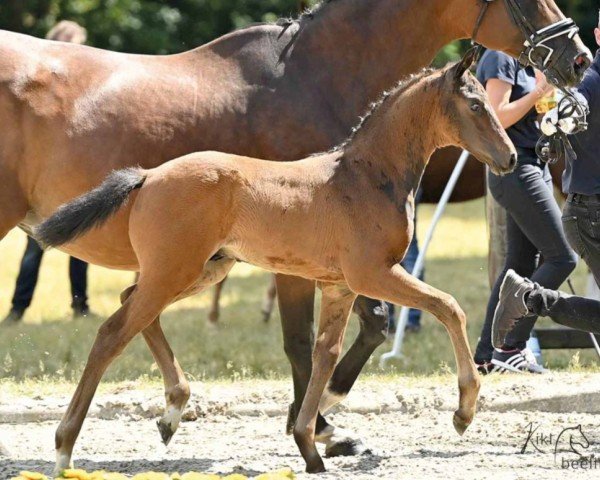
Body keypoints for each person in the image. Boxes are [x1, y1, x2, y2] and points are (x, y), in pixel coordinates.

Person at [493, 15, 600, 348]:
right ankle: (531, 298)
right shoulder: (591, 81)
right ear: (597, 34)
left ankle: (529, 297)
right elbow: (575, 103)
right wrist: (562, 117)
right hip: (592, 215)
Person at [473, 49, 578, 374]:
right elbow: (497, 116)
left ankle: (487, 355)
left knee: (518, 264)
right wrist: (539, 91)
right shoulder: (499, 56)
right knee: (562, 257)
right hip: (516, 169)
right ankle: (511, 345)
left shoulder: (525, 59)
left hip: (536, 162)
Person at [1, 21, 91, 326]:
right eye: (69, 43)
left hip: (71, 180)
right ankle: (17, 309)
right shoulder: (39, 86)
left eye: (77, 44)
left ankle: (81, 306)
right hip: (42, 185)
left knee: (82, 251)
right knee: (34, 251)